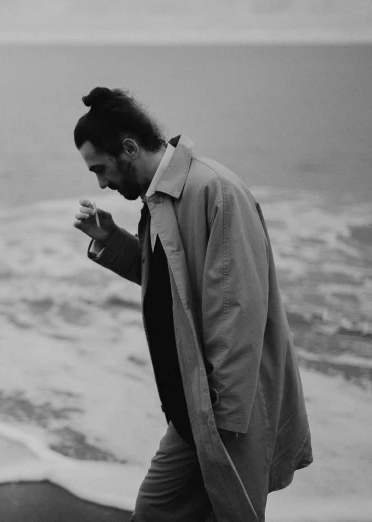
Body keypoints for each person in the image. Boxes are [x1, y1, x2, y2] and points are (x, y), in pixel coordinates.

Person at [72, 87, 312, 521]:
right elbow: (173, 286)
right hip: (193, 408)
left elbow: (239, 309)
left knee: (164, 513)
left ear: (128, 148)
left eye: (101, 169)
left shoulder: (211, 190)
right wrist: (110, 241)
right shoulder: (161, 195)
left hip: (219, 413)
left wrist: (222, 420)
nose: (102, 182)